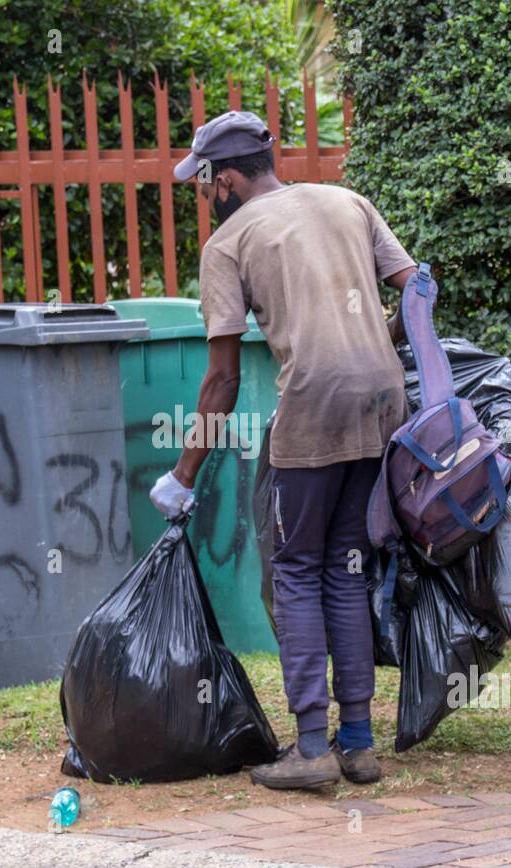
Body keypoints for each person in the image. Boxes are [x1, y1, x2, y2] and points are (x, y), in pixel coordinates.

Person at [149, 110, 417, 790]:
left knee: (298, 568)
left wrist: (183, 475)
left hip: (314, 409)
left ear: (228, 179)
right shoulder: (346, 200)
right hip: (385, 405)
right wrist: (377, 344)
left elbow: (223, 379)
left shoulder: (230, 243)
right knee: (346, 569)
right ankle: (356, 745)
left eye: (204, 181)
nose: (204, 194)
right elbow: (417, 286)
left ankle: (309, 749)